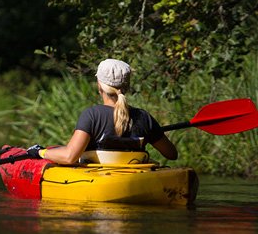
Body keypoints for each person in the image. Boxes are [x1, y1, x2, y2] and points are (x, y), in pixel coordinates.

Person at [27, 58, 178, 164]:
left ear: (99, 85)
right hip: (135, 179)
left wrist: (41, 152)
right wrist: (153, 132)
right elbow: (171, 154)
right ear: (127, 86)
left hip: (100, 183)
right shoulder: (143, 117)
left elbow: (69, 157)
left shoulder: (92, 115)